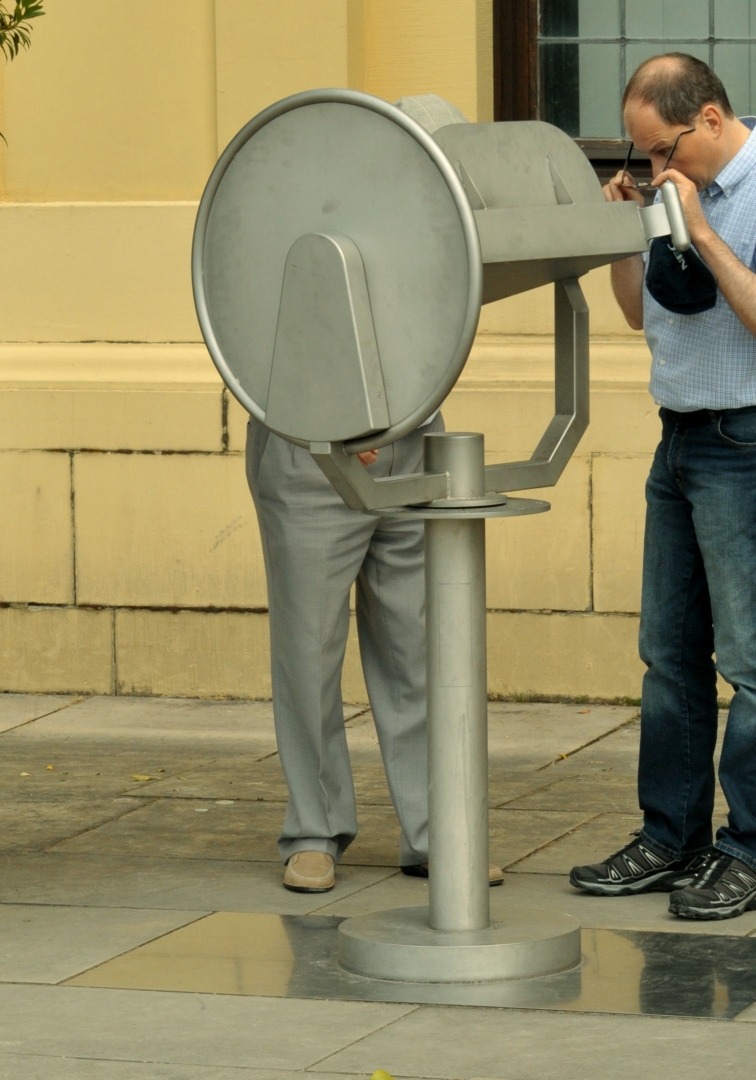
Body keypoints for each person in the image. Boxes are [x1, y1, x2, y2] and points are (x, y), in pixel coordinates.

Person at [569, 55, 756, 919]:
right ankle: (670, 838)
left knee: (754, 664)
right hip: (680, 437)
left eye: (663, 152)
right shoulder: (670, 188)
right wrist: (630, 232)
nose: (655, 171)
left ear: (711, 119)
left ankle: (746, 855)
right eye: (642, 156)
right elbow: (635, 314)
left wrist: (701, 228)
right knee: (668, 657)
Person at [246, 94, 502, 894]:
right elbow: (250, 322)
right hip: (309, 449)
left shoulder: (426, 221)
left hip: (409, 438)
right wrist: (331, 416)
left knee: (415, 645)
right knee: (309, 650)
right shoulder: (302, 209)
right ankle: (313, 830)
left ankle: (435, 832)